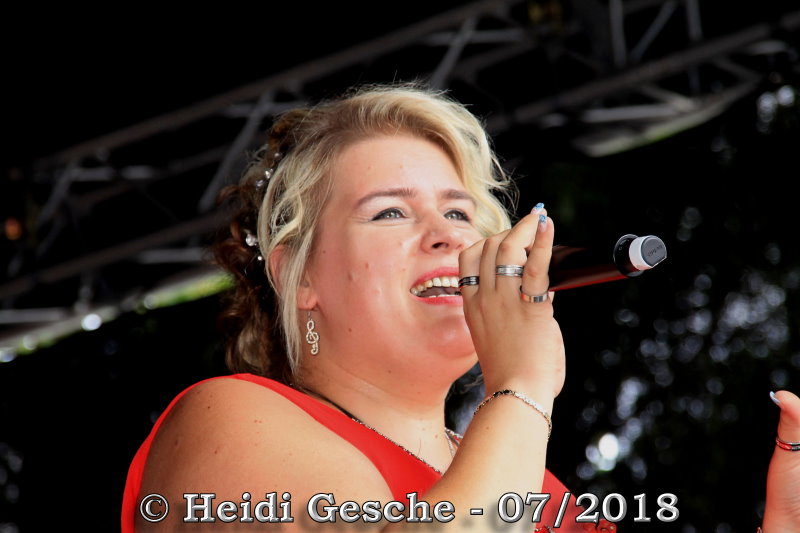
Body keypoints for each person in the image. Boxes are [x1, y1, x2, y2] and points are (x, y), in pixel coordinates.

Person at [121, 84, 800, 532]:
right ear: (297, 276)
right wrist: (523, 387)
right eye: (390, 212)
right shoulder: (226, 418)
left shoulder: (538, 485)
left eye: (457, 212)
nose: (448, 236)